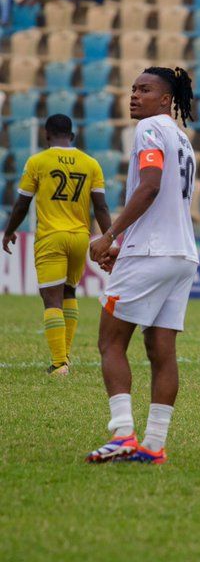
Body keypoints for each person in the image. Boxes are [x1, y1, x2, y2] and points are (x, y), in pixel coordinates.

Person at [85, 67, 198, 465]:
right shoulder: (183, 139)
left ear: (166, 99)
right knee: (161, 348)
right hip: (182, 255)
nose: (135, 95)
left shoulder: (151, 128)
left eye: (145, 89)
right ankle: (153, 444)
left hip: (150, 252)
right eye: (133, 88)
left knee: (110, 342)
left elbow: (149, 186)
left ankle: (123, 435)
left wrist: (110, 235)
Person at [1, 114, 111, 375]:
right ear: (71, 136)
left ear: (46, 135)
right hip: (79, 237)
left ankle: (59, 363)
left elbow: (22, 203)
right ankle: (65, 357)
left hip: (51, 236)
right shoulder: (91, 163)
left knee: (51, 300)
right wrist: (109, 240)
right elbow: (102, 207)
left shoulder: (38, 161)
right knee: (69, 293)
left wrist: (10, 231)